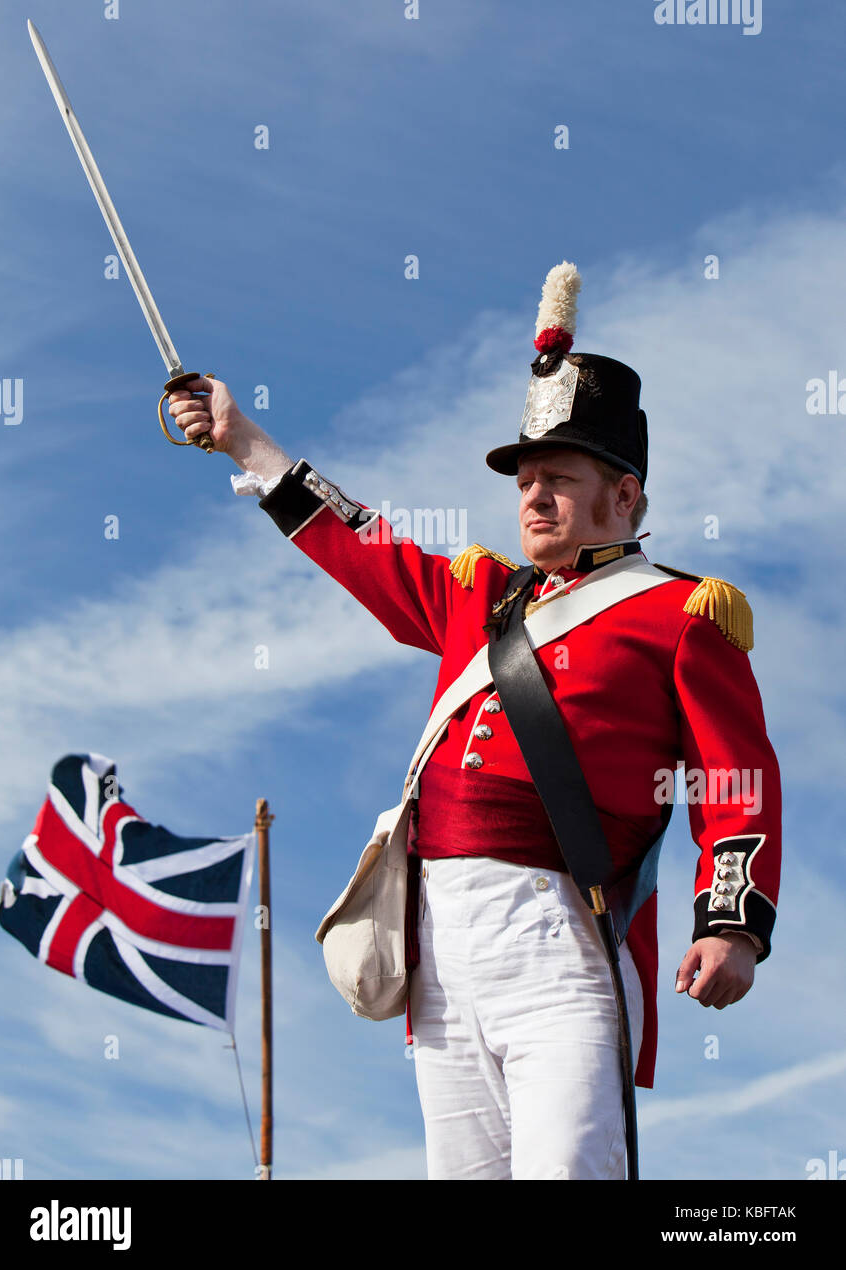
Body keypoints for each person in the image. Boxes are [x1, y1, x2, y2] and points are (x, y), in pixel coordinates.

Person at [167, 261, 781, 1180]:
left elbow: (735, 778)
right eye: (525, 478)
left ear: (626, 496)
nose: (533, 496)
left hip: (562, 932)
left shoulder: (681, 613)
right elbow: (363, 543)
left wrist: (732, 924)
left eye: (559, 478)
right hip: (441, 942)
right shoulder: (477, 595)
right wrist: (244, 443)